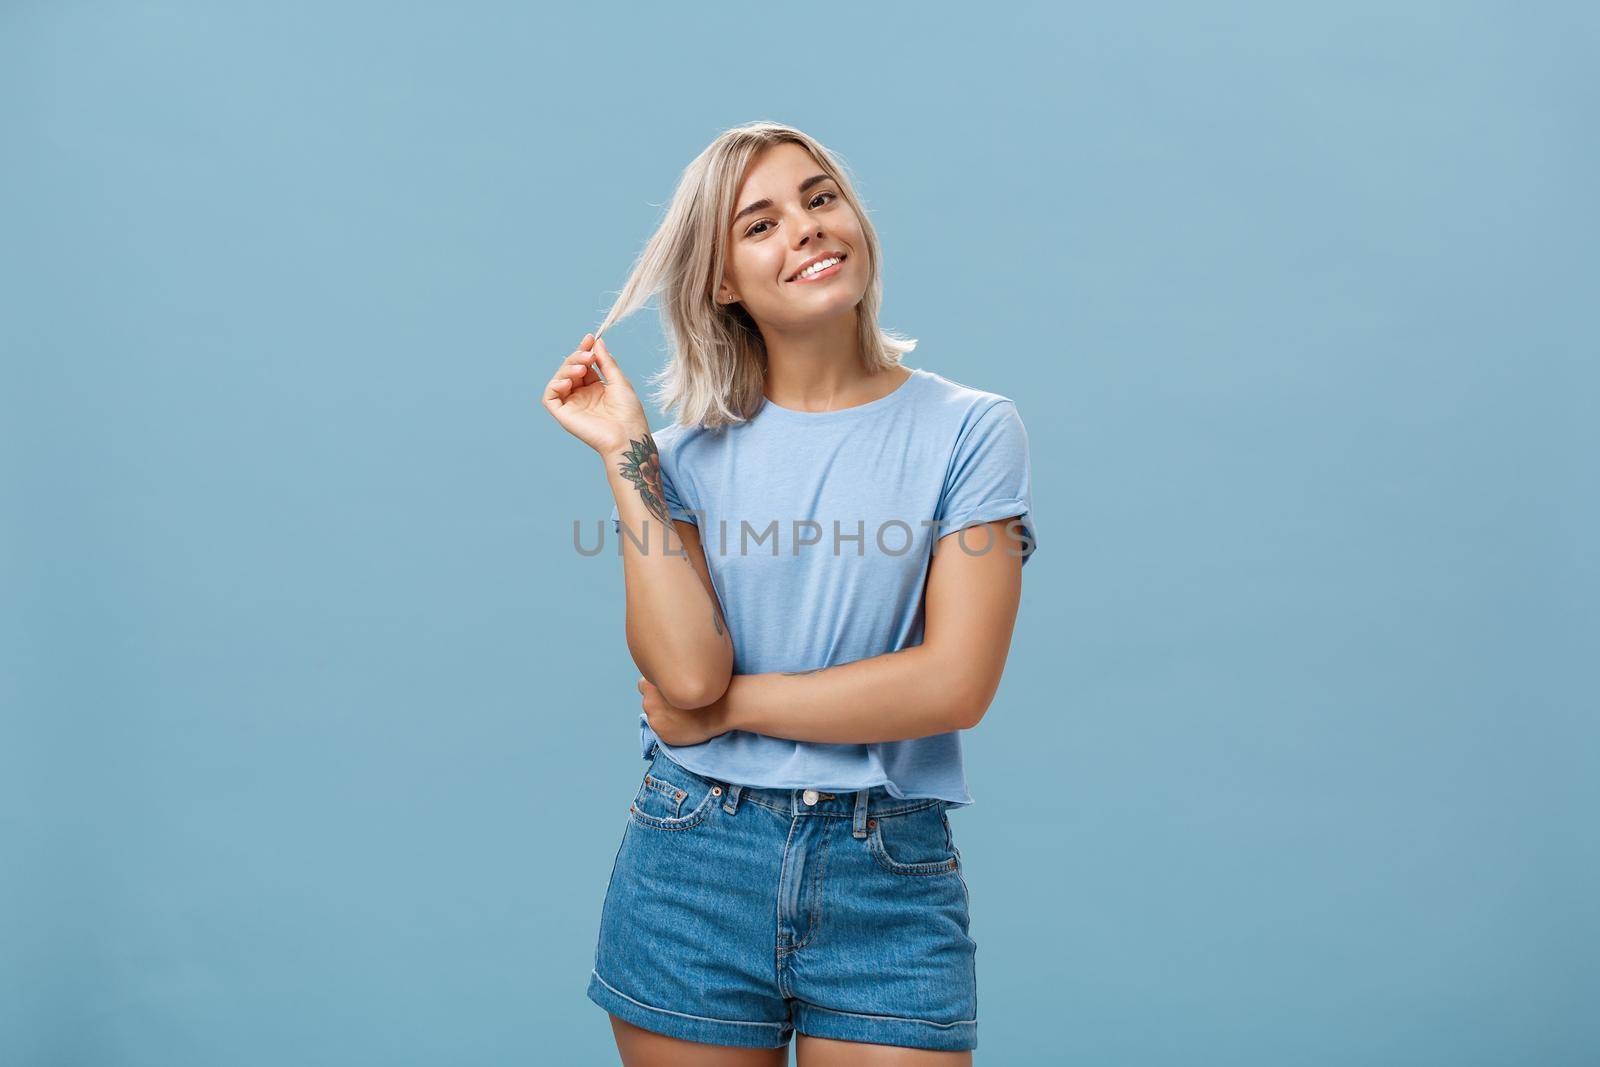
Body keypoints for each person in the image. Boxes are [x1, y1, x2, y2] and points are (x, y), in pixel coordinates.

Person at [542, 121, 1036, 1065]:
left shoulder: (973, 430)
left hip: (883, 868)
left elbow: (954, 684)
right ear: (723, 281)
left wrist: (732, 709)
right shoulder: (678, 461)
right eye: (760, 222)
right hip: (692, 858)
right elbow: (685, 673)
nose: (806, 229)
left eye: (819, 199)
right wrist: (626, 454)